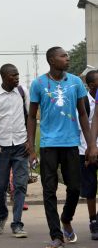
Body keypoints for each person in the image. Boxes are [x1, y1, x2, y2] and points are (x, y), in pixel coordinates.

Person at [28, 46, 92, 248]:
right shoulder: (38, 84)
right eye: (63, 56)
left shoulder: (75, 82)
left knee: (74, 187)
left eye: (67, 55)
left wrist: (91, 144)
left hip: (71, 142)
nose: (67, 58)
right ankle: (56, 235)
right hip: (48, 144)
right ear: (51, 60)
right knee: (49, 191)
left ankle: (66, 218)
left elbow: (83, 114)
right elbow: (31, 116)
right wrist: (31, 145)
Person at [0, 63, 29, 238]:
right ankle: (1, 216)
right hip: (2, 147)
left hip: (20, 145)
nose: (17, 78)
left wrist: (30, 142)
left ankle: (17, 223)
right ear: (4, 77)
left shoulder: (23, 92)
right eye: (13, 75)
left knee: (20, 185)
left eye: (18, 75)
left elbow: (30, 117)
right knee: (1, 186)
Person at [78, 69, 98, 240]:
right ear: (91, 85)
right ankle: (93, 221)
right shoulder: (83, 101)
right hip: (87, 151)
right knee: (90, 188)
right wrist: (88, 149)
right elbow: (81, 128)